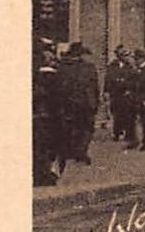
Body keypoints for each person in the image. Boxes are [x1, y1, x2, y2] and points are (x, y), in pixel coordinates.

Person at [54, 41, 99, 170]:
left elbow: (58, 87)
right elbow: (95, 87)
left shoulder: (62, 67)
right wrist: (95, 103)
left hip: (68, 103)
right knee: (86, 128)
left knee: (71, 127)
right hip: (86, 104)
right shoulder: (89, 67)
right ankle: (80, 152)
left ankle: (71, 151)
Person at [33, 39, 61, 187]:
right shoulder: (50, 77)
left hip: (40, 115)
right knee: (45, 145)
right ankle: (43, 175)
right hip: (46, 116)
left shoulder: (36, 74)